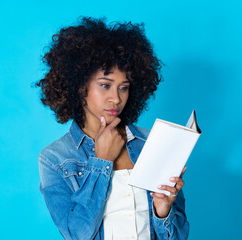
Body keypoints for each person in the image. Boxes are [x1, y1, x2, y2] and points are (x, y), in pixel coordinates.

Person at [35, 16, 189, 240]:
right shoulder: (55, 158)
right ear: (79, 86)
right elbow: (77, 234)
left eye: (123, 88)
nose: (116, 98)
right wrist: (101, 162)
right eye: (105, 85)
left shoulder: (153, 143)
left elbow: (179, 236)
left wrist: (162, 210)